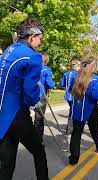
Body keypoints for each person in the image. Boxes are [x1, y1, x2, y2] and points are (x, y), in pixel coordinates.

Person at [0, 16, 48, 180]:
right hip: (16, 113)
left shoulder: (9, 50)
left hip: (2, 112)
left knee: (6, 163)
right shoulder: (33, 56)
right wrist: (36, 95)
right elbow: (29, 97)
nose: (40, 42)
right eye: (39, 38)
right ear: (32, 36)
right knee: (39, 152)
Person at [68, 59, 98, 165]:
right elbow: (95, 96)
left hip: (77, 107)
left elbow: (70, 89)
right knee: (94, 129)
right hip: (90, 108)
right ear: (93, 67)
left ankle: (74, 158)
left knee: (76, 132)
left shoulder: (76, 76)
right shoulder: (96, 78)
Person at [34, 52, 55, 141]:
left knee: (35, 117)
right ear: (46, 60)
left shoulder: (33, 68)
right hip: (40, 96)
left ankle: (34, 137)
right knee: (39, 118)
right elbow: (50, 84)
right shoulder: (46, 69)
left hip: (31, 94)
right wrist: (53, 84)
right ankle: (38, 139)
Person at [59, 60, 81, 134]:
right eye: (79, 66)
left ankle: (71, 129)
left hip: (68, 96)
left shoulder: (66, 73)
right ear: (76, 66)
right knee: (74, 112)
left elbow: (61, 84)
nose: (80, 67)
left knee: (73, 110)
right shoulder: (78, 74)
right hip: (75, 96)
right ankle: (70, 130)